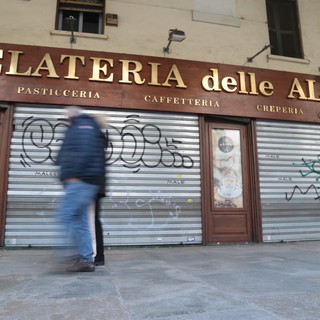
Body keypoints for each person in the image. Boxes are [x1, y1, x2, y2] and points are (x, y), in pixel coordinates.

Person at [56, 106, 107, 272]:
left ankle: (65, 254)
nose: (65, 117)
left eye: (66, 114)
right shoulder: (87, 127)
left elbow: (82, 153)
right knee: (82, 221)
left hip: (80, 181)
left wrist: (74, 175)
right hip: (87, 182)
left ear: (72, 114)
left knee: (66, 217)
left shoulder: (83, 126)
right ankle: (86, 258)